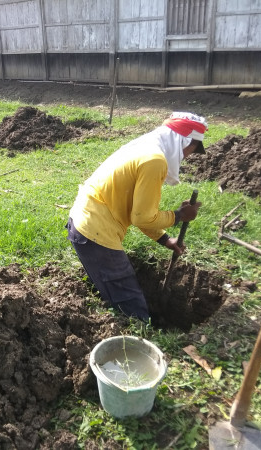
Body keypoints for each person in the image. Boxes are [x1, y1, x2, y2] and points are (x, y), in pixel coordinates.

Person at [66, 112, 207, 322]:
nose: (187, 157)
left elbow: (138, 211)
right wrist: (179, 216)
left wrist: (165, 239)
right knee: (133, 309)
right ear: (183, 141)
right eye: (191, 150)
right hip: (96, 232)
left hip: (84, 221)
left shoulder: (146, 148)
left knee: (114, 291)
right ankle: (137, 336)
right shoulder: (154, 161)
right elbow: (143, 217)